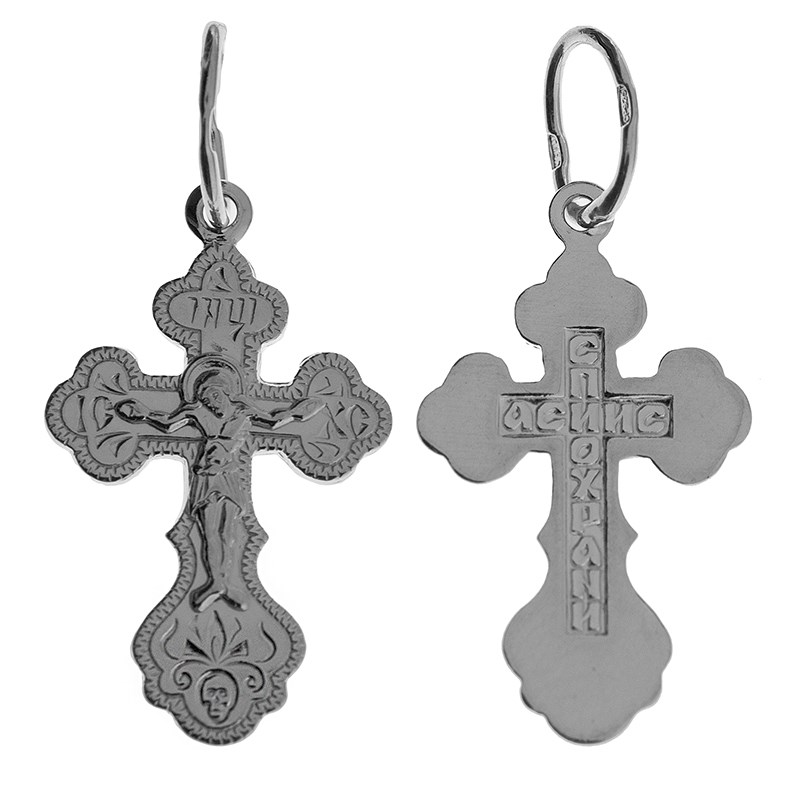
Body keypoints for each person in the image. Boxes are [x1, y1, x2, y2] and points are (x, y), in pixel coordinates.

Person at [117, 364, 324, 611]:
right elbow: (167, 423)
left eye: (213, 396)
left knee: (229, 531)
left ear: (225, 392)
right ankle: (215, 582)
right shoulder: (196, 411)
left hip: (230, 475)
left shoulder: (243, 410)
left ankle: (225, 583)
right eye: (205, 398)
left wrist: (298, 413)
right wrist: (142, 414)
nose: (210, 402)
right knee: (210, 530)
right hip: (207, 474)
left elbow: (273, 421)